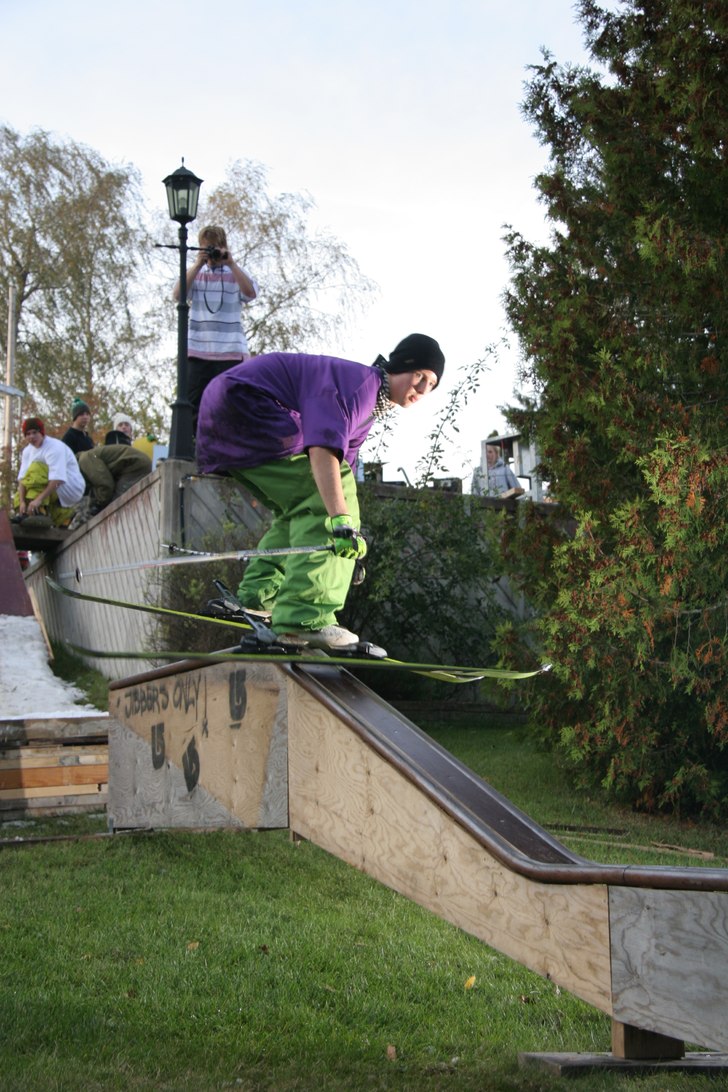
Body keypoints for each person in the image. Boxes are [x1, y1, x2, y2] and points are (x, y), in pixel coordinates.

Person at [196, 333, 445, 650]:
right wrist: (340, 522)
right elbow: (324, 452)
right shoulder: (359, 386)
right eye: (420, 376)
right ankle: (304, 619)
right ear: (400, 366)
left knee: (302, 508)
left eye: (432, 385)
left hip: (229, 410)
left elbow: (346, 475)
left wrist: (348, 539)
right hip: (247, 405)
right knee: (323, 500)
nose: (422, 390)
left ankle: (258, 597)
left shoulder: (367, 405)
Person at [173, 225, 258, 431]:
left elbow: (251, 293)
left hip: (229, 352)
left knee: (229, 403)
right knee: (192, 403)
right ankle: (193, 447)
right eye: (205, 248)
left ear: (223, 247)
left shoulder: (235, 273)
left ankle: (228, 446)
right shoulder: (196, 274)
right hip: (198, 351)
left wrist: (231, 263)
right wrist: (197, 264)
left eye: (214, 248)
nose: (210, 252)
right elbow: (178, 295)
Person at [69, 416, 152, 528]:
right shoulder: (87, 458)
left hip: (134, 466)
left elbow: (106, 485)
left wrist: (97, 505)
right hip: (135, 465)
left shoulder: (85, 460)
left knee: (115, 507)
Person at [14, 417, 85, 527]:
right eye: (28, 434)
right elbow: (23, 479)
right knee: (21, 492)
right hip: (54, 488)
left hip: (70, 485)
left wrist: (38, 500)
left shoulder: (54, 447)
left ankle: (40, 511)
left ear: (41, 432)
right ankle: (64, 517)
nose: (31, 436)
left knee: (36, 468)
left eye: (34, 432)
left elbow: (58, 479)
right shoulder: (27, 451)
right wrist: (22, 502)